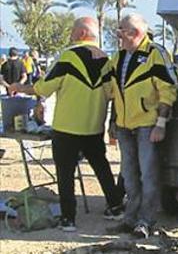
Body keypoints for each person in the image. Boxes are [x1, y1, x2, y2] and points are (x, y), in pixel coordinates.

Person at [10, 17, 125, 232]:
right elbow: (111, 93)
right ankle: (116, 206)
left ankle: (68, 219)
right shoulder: (105, 60)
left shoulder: (68, 57)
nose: (70, 33)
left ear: (81, 33)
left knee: (65, 174)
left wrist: (20, 87)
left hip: (67, 127)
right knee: (102, 167)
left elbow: (44, 88)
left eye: (73, 30)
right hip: (93, 126)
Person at [105, 13, 178, 238]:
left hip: (147, 125)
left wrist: (161, 124)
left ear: (135, 33)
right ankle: (130, 217)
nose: (118, 36)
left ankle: (146, 220)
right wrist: (114, 123)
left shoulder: (156, 54)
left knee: (149, 174)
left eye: (121, 31)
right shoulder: (118, 58)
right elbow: (112, 89)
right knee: (129, 174)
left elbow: (168, 89)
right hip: (125, 126)